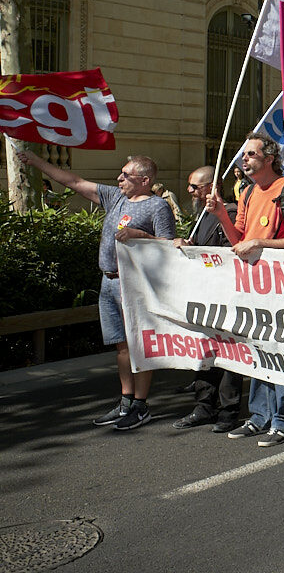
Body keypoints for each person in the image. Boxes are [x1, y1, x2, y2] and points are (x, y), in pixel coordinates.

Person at [17, 149, 176, 430]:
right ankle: (126, 401)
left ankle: (140, 405)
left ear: (144, 180)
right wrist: (36, 161)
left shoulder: (157, 206)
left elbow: (169, 247)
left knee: (139, 345)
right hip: (109, 282)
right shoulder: (116, 198)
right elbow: (75, 182)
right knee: (121, 346)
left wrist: (140, 235)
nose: (119, 178)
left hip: (135, 285)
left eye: (126, 175)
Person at [208, 132, 284, 447]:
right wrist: (220, 214)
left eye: (251, 154)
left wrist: (259, 242)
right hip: (253, 286)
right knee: (258, 351)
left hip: (283, 287)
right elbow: (238, 239)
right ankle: (259, 416)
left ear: (269, 159)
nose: (244, 159)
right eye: (244, 155)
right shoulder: (249, 193)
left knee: (281, 353)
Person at [171, 166, 243, 432]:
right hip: (204, 296)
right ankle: (204, 406)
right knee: (204, 352)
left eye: (195, 186)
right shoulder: (202, 214)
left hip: (226, 296)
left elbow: (230, 252)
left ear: (212, 187)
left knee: (229, 354)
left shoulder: (229, 213)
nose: (189, 190)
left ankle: (228, 411)